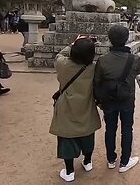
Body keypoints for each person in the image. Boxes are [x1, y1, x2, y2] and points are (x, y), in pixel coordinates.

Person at [49, 37, 101, 182]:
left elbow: (60, 55)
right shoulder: (94, 68)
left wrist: (73, 43)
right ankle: (88, 162)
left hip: (67, 107)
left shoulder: (64, 65)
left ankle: (70, 171)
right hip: (86, 105)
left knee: (67, 137)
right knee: (87, 133)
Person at [94, 25, 140, 173]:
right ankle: (125, 162)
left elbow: (97, 82)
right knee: (127, 129)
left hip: (108, 101)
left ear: (110, 39)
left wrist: (99, 100)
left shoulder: (102, 60)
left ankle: (111, 159)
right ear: (126, 39)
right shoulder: (133, 59)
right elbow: (138, 71)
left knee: (110, 129)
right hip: (127, 100)